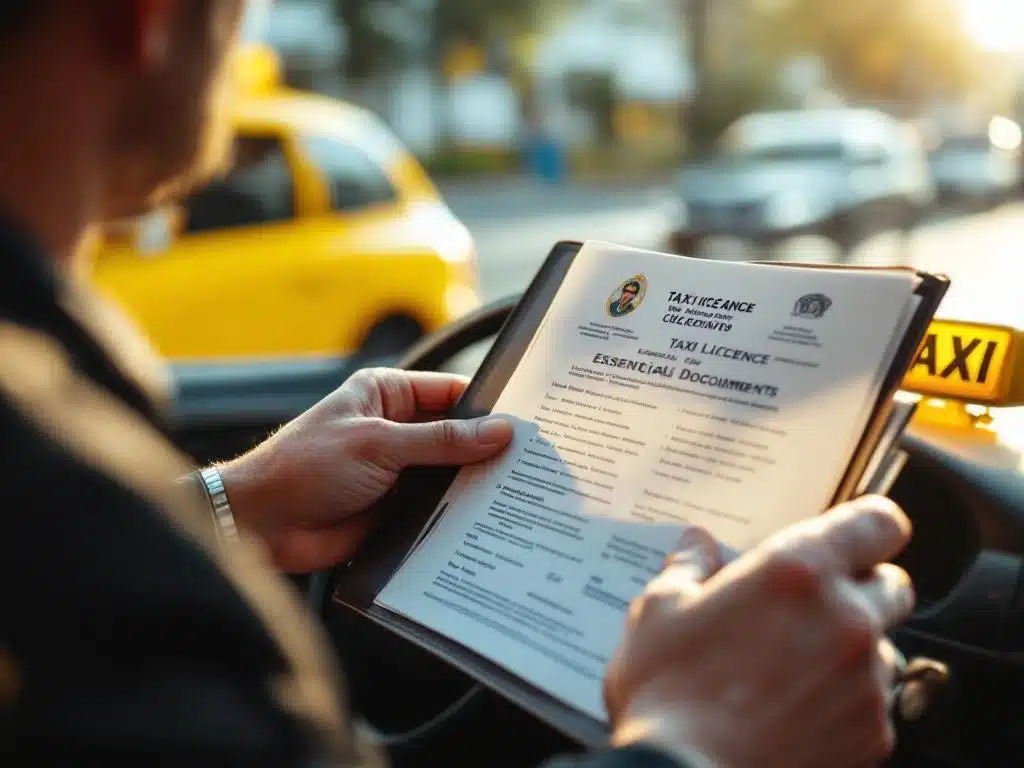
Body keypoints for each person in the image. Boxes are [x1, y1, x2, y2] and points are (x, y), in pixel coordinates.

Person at [0, 2, 915, 766]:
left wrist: (233, 504)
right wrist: (698, 744)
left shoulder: (50, 470)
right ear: (148, 17)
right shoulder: (60, 481)